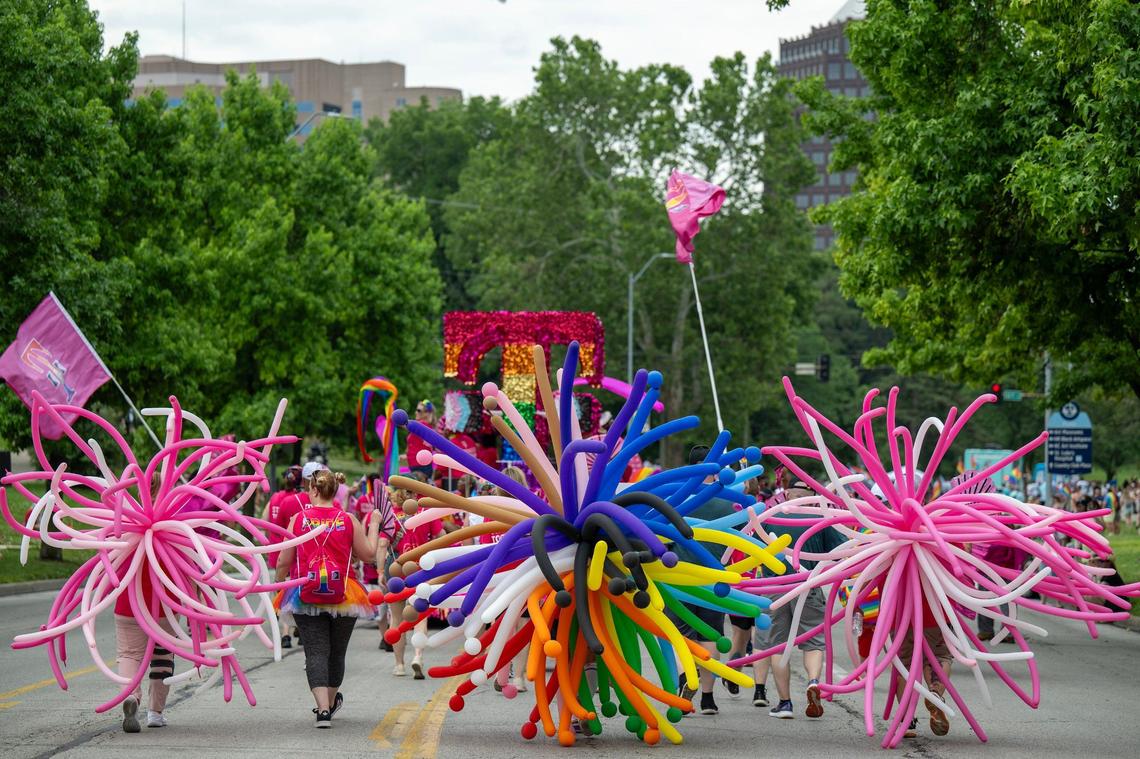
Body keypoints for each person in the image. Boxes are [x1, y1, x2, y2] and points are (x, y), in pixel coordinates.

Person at [275, 469, 380, 728]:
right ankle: (330, 704)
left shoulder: (298, 520)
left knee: (315, 653)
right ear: (336, 491)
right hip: (344, 594)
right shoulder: (348, 519)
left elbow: (283, 560)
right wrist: (375, 523)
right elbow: (367, 555)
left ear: (312, 490)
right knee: (337, 654)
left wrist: (277, 587)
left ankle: (322, 710)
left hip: (305, 594)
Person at [665, 445, 740, 716]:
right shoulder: (728, 501)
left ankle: (686, 675)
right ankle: (708, 698)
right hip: (715, 577)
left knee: (681, 632)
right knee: (712, 635)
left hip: (679, 574)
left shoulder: (676, 498)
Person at [763, 481, 846, 720]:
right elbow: (841, 552)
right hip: (808, 585)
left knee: (778, 645)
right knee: (814, 642)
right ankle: (812, 682)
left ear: (787, 494)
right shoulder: (819, 520)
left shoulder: (771, 517)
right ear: (812, 497)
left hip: (774, 589)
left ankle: (785, 703)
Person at [387, 484, 445, 678]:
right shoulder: (426, 514)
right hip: (422, 571)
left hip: (396, 571)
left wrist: (379, 568)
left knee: (396, 619)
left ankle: (399, 665)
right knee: (420, 615)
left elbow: (381, 545)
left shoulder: (392, 516)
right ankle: (418, 656)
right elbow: (441, 537)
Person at [114, 573, 176, 731]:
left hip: (128, 605)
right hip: (166, 606)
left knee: (129, 655)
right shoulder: (177, 547)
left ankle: (131, 696)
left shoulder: (123, 547)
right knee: (162, 657)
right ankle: (155, 713)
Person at [265, 465, 304, 648]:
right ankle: (299, 626)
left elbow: (266, 519)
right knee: (296, 589)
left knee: (281, 590)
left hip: (277, 550)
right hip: (296, 552)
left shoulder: (275, 498)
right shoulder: (300, 500)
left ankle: (285, 632)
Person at [407, 401, 436, 479]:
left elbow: (404, 424)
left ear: (427, 413)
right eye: (416, 410)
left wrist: (395, 418)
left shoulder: (422, 425)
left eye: (419, 410)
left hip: (421, 465)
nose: (416, 412)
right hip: (417, 464)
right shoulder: (424, 426)